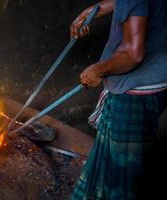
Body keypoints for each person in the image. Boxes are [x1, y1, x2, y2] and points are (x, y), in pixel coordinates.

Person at [70, 0, 167, 199]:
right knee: (109, 167)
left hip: (136, 90)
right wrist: (97, 10)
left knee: (122, 183)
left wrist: (98, 69)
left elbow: (132, 53)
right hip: (156, 76)